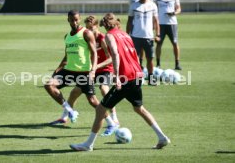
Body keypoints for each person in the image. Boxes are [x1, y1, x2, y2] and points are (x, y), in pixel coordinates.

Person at [70, 13, 170, 151]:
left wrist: (116, 76)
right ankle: (162, 137)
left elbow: (115, 55)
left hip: (125, 78)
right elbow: (134, 55)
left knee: (100, 109)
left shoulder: (109, 36)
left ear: (105, 25)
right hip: (136, 75)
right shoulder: (126, 35)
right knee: (138, 108)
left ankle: (88, 145)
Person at [50, 15, 120, 136]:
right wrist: (59, 68)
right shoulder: (83, 36)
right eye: (87, 28)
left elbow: (110, 58)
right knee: (74, 93)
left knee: (102, 91)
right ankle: (65, 116)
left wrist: (94, 68)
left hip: (103, 69)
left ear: (97, 27)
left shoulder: (101, 38)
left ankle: (114, 119)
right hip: (89, 70)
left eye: (91, 28)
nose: (89, 30)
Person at [44, 10, 98, 123]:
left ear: (80, 19)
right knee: (49, 85)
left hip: (83, 72)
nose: (74, 22)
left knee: (92, 101)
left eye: (76, 19)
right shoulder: (67, 36)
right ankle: (70, 111)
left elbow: (94, 53)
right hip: (69, 71)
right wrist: (57, 69)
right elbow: (66, 56)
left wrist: (93, 71)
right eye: (72, 20)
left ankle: (111, 122)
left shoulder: (86, 33)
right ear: (68, 20)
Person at [127, 0, 160, 86]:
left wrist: (157, 34)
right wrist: (127, 35)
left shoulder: (153, 5)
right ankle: (137, 79)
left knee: (150, 59)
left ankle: (151, 78)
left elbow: (156, 21)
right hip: (135, 37)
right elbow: (129, 21)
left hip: (148, 37)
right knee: (135, 60)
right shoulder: (134, 5)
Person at [126, 0, 154, 70]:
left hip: (147, 32)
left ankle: (146, 72)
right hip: (136, 29)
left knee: (149, 57)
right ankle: (138, 73)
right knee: (135, 56)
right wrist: (127, 33)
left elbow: (153, 17)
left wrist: (153, 29)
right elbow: (130, 17)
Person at [155, 0, 182, 70]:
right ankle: (158, 64)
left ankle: (177, 64)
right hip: (160, 24)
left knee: (175, 43)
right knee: (159, 43)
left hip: (172, 23)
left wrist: (174, 13)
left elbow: (179, 9)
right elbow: (154, 8)